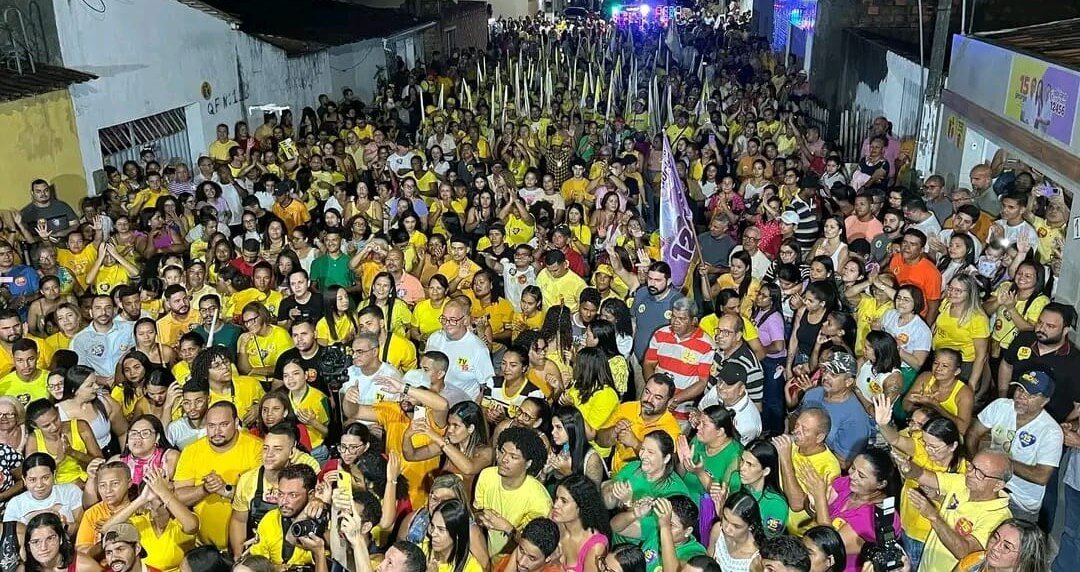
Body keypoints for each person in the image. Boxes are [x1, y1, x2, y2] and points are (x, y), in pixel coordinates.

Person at [897, 443, 1012, 572]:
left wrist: (933, 516)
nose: (970, 474)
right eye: (972, 466)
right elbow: (922, 475)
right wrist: (908, 468)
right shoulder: (961, 482)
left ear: (998, 485)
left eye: (980, 473)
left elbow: (965, 552)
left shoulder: (999, 518)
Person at [966, 370, 1063, 522]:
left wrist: (999, 465)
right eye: (1020, 389)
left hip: (1020, 501)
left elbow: (1041, 476)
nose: (1021, 396)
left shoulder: (1051, 431)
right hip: (988, 487)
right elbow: (973, 433)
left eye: (1031, 395)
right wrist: (977, 466)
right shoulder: (1000, 406)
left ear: (1044, 401)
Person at [172, 401, 263, 550]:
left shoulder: (257, 448)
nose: (217, 431)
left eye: (223, 425)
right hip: (204, 548)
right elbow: (178, 497)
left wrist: (225, 490)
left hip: (248, 547)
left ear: (236, 423)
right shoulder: (191, 451)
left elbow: (262, 497)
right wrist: (204, 489)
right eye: (211, 426)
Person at [799, 447, 900, 571]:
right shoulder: (848, 484)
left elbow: (829, 548)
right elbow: (812, 507)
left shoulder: (874, 515)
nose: (852, 476)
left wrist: (820, 499)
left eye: (861, 475)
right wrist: (814, 504)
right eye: (853, 468)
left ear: (881, 484)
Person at [473, 426, 552, 555]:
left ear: (528, 463)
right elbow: (477, 512)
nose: (504, 459)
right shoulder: (487, 475)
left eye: (513, 457)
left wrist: (507, 528)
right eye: (502, 452)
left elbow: (535, 550)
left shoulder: (540, 500)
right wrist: (481, 518)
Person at [596, 373, 681, 475]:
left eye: (657, 397)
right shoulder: (626, 408)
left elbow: (665, 467)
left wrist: (635, 444)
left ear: (669, 402)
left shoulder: (672, 429)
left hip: (645, 482)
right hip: (615, 475)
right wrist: (614, 430)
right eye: (647, 392)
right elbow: (599, 441)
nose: (649, 400)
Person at [247, 464, 321, 568]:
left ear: (311, 494)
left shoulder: (322, 520)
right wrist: (274, 568)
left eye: (293, 495)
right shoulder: (270, 519)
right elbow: (257, 564)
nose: (283, 501)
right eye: (280, 494)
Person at [425, 299, 495, 401]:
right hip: (433, 400)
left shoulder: (478, 348)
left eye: (453, 320)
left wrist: (476, 406)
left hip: (462, 405)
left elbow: (487, 385)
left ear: (465, 320)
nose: (447, 324)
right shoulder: (434, 339)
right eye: (444, 319)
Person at [550, 474, 611, 572]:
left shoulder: (595, 546)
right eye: (556, 498)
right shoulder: (554, 522)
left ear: (582, 507)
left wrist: (557, 566)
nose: (555, 505)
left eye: (564, 501)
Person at [21, 512, 95, 572]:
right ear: (28, 546)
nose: (43, 547)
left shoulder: (84, 566)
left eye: (50, 538)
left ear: (61, 539)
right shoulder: (23, 569)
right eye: (36, 542)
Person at [494, 517, 561, 572]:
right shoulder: (505, 562)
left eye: (532, 558)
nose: (521, 562)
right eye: (521, 550)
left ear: (548, 558)